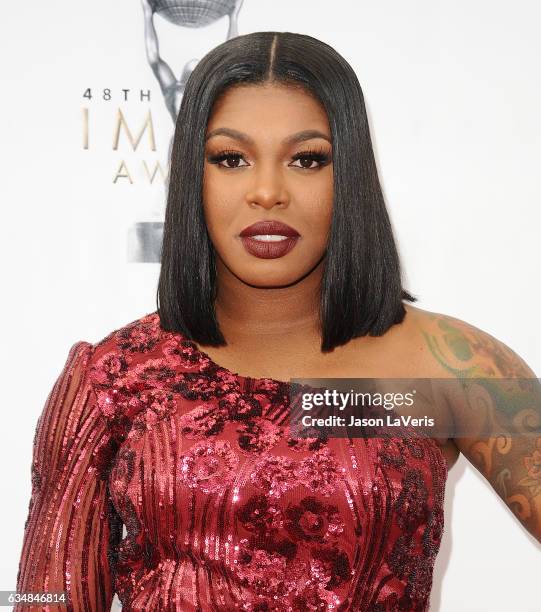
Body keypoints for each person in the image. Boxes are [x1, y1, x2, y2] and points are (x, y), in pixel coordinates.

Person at [15, 31, 540, 611]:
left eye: (307, 159)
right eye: (231, 159)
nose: (268, 192)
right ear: (195, 176)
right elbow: (43, 597)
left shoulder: (451, 370)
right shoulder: (113, 375)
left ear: (352, 177)